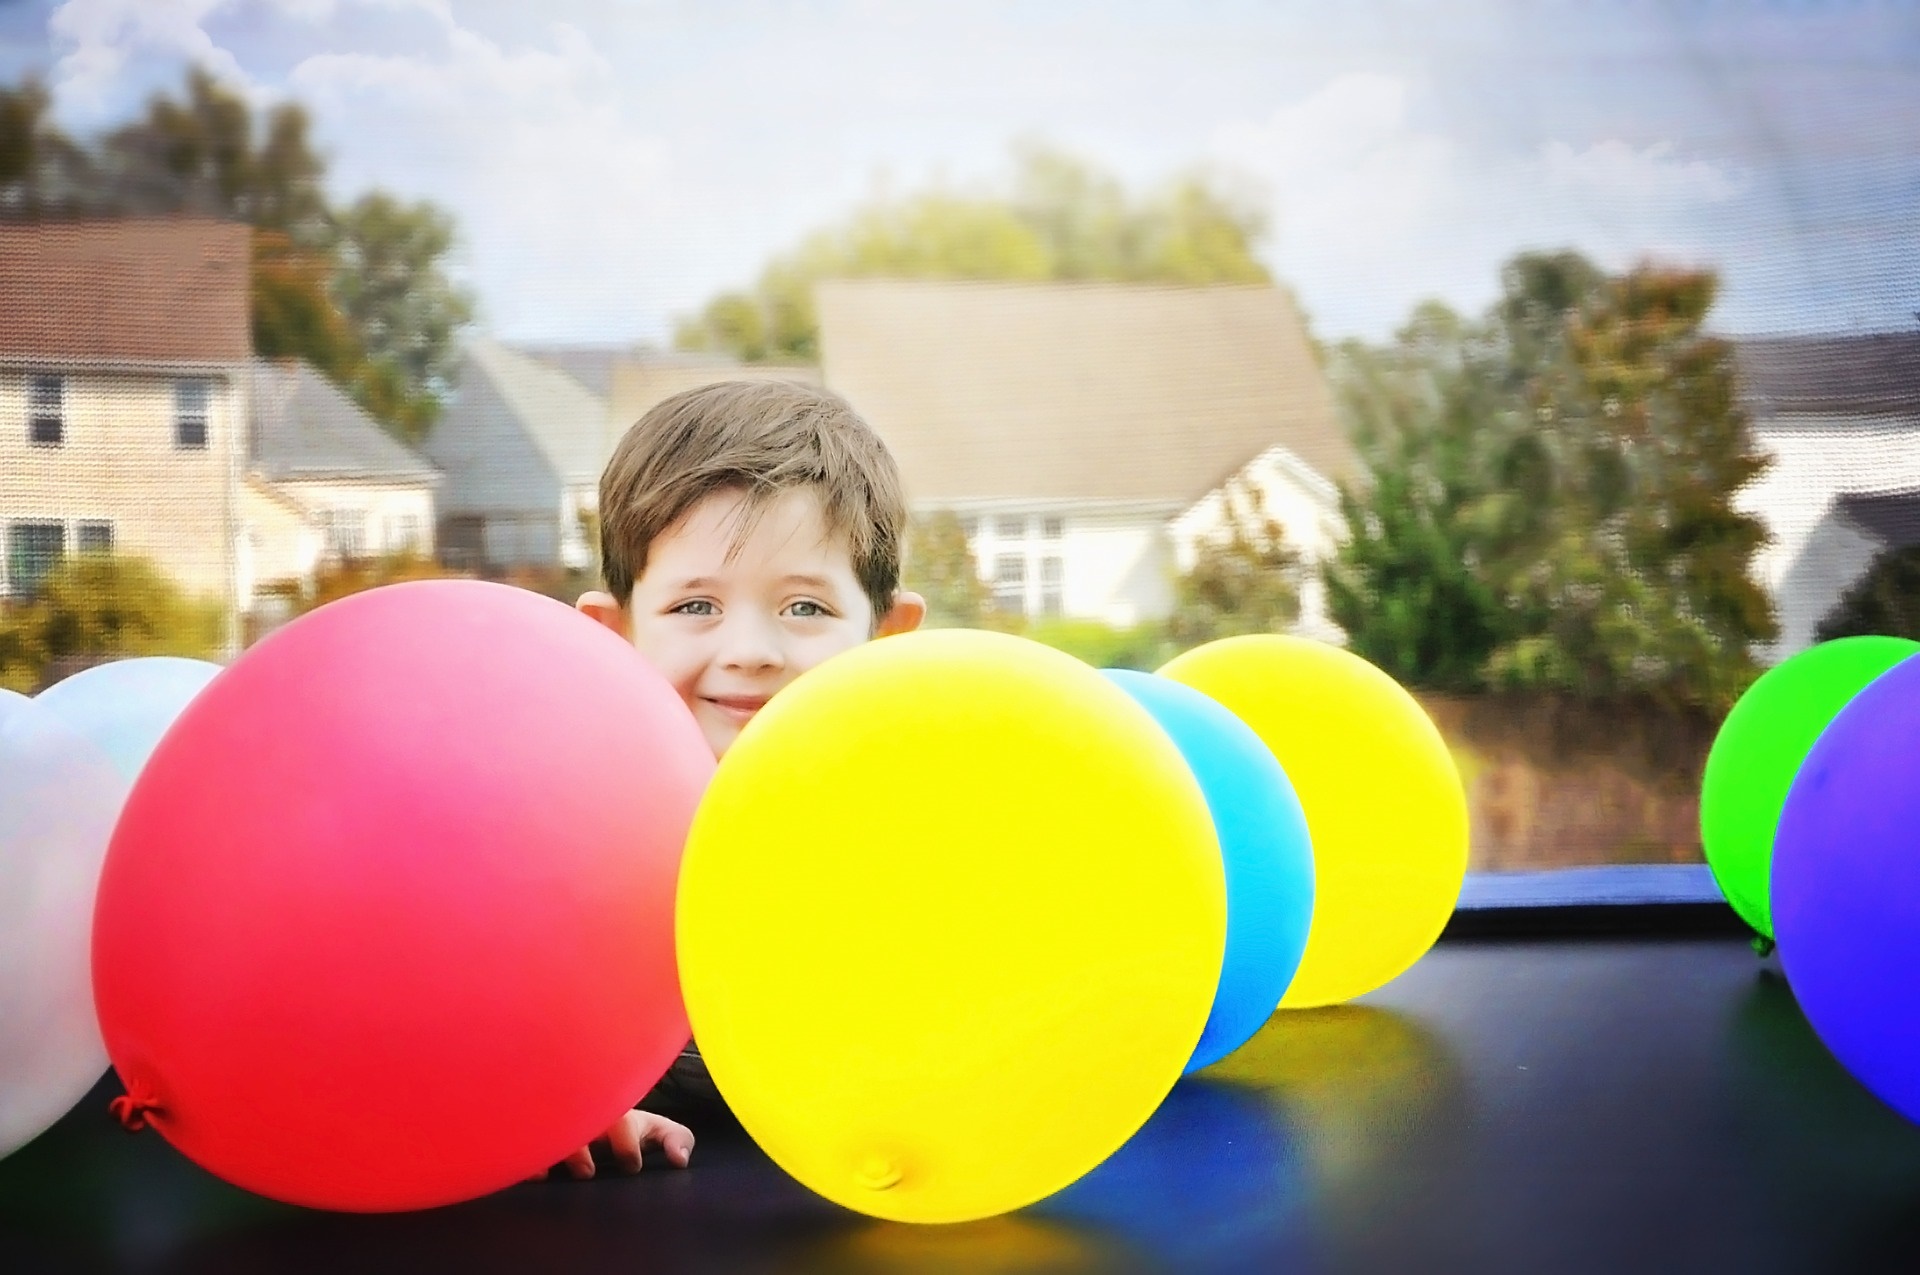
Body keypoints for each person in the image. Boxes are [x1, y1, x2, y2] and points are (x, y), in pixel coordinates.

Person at [536, 379, 926, 1180]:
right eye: (696, 605)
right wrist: (559, 1098)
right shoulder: (559, 846)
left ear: (887, 638)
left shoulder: (918, 840)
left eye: (806, 608)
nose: (751, 648)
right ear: (612, 634)